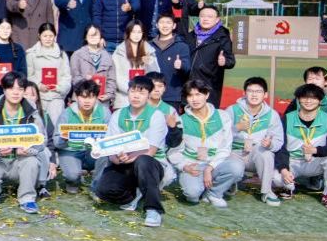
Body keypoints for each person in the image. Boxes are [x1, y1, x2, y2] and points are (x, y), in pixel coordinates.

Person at [94, 76, 171, 227]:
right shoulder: (118, 115)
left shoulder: (156, 116)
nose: (136, 96)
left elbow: (151, 151)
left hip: (150, 164)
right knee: (104, 190)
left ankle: (153, 209)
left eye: (141, 93)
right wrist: (116, 159)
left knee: (143, 161)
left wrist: (130, 158)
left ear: (149, 95)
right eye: (133, 91)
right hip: (124, 163)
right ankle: (134, 195)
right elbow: (110, 147)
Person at [0, 72, 45, 214]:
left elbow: (42, 139)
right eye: (11, 88)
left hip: (20, 159)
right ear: (4, 89)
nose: (16, 92)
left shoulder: (31, 111)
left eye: (20, 89)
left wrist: (28, 149)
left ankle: (27, 198)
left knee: (31, 161)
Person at [169, 79, 239, 207]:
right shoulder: (181, 121)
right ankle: (201, 186)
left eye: (198, 94)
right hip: (193, 165)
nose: (194, 99)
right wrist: (184, 166)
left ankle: (214, 193)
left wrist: (210, 167)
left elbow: (226, 147)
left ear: (206, 95)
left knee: (236, 167)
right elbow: (174, 152)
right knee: (192, 196)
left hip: (216, 163)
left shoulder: (222, 116)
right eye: (190, 95)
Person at [279, 84, 327, 209]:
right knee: (275, 176)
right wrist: (283, 169)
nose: (308, 101)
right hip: (293, 161)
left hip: (316, 161)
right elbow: (280, 147)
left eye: (313, 98)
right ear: (298, 99)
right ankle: (287, 187)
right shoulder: (287, 118)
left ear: (320, 101)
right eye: (304, 97)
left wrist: (316, 150)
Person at [228, 77, 287, 206]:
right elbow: (219, 135)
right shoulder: (232, 110)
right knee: (230, 165)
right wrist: (236, 128)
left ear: (265, 94)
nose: (254, 94)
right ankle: (229, 182)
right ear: (244, 93)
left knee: (266, 153)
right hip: (235, 152)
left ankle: (267, 192)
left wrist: (270, 144)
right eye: (250, 91)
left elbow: (278, 140)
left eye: (258, 91)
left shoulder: (272, 114)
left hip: (256, 152)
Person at [52, 80, 109, 193]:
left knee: (107, 156)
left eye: (91, 97)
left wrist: (101, 140)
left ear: (96, 98)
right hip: (71, 150)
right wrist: (63, 139)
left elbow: (110, 138)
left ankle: (96, 184)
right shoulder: (67, 113)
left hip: (94, 151)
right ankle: (74, 180)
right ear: (77, 97)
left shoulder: (104, 112)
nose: (87, 101)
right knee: (72, 176)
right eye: (83, 97)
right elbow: (56, 142)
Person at [187, 5, 235, 108]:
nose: (205, 19)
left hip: (209, 84)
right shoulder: (190, 36)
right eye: (202, 16)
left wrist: (224, 61)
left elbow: (231, 60)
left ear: (217, 19)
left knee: (208, 113)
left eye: (210, 16)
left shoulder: (222, 37)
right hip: (188, 83)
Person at [26, 22, 72, 117]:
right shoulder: (31, 54)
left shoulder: (62, 54)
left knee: (56, 122)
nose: (48, 39)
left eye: (51, 36)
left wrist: (58, 87)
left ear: (55, 36)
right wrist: (39, 86)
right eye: (45, 36)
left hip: (56, 96)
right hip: (38, 96)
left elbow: (67, 76)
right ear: (39, 36)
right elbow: (29, 76)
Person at [112, 21, 159, 109]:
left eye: (139, 32)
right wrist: (133, 91)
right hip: (123, 98)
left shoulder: (149, 50)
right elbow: (117, 77)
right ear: (128, 33)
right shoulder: (119, 52)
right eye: (133, 32)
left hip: (145, 97)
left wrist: (149, 63)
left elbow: (156, 75)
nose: (136, 35)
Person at [150, 14, 190, 111]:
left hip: (172, 95)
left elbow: (187, 68)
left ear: (174, 26)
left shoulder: (182, 46)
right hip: (150, 93)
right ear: (157, 25)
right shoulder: (149, 45)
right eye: (162, 22)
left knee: (171, 120)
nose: (165, 25)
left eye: (168, 23)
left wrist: (181, 65)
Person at [69, 24, 116, 109]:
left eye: (96, 35)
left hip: (102, 100)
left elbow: (111, 79)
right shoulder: (77, 55)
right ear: (85, 37)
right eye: (91, 35)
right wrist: (86, 80)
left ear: (100, 37)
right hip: (82, 99)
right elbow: (75, 77)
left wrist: (108, 95)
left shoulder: (108, 56)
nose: (93, 38)